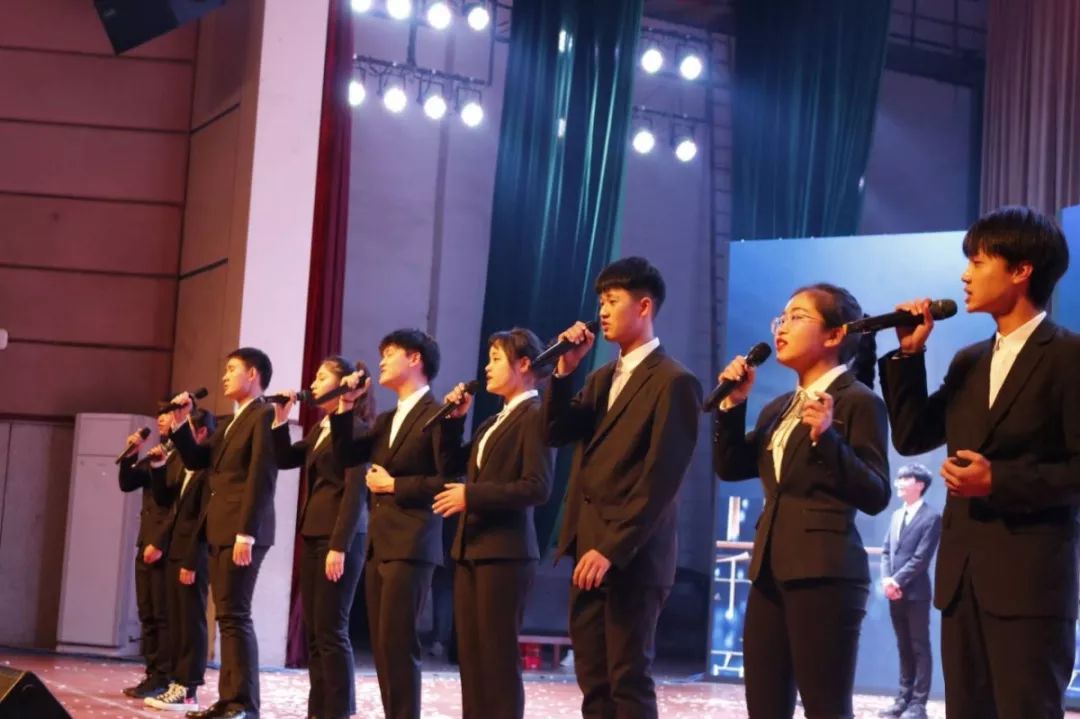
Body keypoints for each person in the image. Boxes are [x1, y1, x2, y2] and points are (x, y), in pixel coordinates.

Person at [880, 206, 1078, 718]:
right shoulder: (969, 360)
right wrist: (908, 356)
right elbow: (913, 436)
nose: (965, 276)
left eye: (978, 261)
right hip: (961, 581)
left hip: (1030, 587)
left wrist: (999, 481)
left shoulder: (1068, 357)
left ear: (1021, 270)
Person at [713, 282, 891, 718]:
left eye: (797, 317)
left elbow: (875, 493)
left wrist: (827, 438)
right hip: (769, 572)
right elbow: (731, 466)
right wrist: (733, 405)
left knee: (825, 708)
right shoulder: (778, 408)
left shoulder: (858, 402)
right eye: (781, 318)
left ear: (834, 335)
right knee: (765, 707)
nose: (781, 327)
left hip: (825, 575)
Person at [542, 256, 702, 718]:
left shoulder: (674, 382)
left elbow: (660, 481)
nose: (603, 312)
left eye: (612, 301)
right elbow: (555, 432)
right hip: (587, 548)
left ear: (644, 306)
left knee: (627, 678)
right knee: (594, 681)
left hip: (633, 556)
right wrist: (565, 371)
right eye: (601, 302)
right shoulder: (600, 378)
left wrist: (611, 547)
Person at [436, 328, 554, 719]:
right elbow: (450, 465)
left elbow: (537, 487)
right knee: (471, 658)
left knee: (497, 660)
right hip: (472, 549)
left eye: (496, 359)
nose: (487, 367)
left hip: (505, 554)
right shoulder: (492, 421)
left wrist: (471, 495)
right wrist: (454, 422)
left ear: (524, 365)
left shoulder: (535, 416)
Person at [332, 329, 446, 719]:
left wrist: (395, 485)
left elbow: (447, 481)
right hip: (380, 544)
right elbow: (346, 455)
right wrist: (346, 405)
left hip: (413, 542)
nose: (381, 361)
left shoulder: (437, 415)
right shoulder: (385, 420)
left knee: (399, 644)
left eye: (390, 353)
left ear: (415, 359)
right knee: (382, 646)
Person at [169, 347, 278, 719]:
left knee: (235, 616)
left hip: (243, 531)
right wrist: (180, 423)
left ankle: (244, 704)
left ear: (253, 374)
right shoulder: (232, 421)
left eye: (232, 369)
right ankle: (229, 700)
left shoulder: (264, 414)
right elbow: (197, 459)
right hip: (221, 528)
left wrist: (246, 532)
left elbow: (262, 476)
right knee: (227, 616)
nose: (225, 376)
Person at [271, 357, 374, 719]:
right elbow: (285, 458)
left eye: (321, 377)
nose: (313, 384)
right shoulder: (321, 428)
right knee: (315, 630)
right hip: (314, 533)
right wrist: (281, 420)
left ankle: (338, 711)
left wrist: (339, 545)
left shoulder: (356, 429)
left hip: (340, 538)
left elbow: (355, 492)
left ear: (342, 385)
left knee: (332, 629)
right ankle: (320, 709)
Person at [144, 407, 217, 712]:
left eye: (183, 428)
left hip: (192, 555)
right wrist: (159, 466)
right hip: (175, 551)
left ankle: (188, 688)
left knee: (190, 622)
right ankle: (176, 681)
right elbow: (166, 502)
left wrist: (192, 560)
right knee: (175, 620)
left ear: (200, 433)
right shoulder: (184, 466)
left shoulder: (207, 469)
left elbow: (203, 520)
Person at [118, 409, 178, 701]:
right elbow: (128, 482)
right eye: (160, 415)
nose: (161, 420)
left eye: (168, 414)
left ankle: (164, 676)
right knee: (147, 612)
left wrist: (160, 542)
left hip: (164, 545)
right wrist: (131, 454)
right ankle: (152, 673)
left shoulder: (183, 456)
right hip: (146, 542)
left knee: (162, 613)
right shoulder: (157, 451)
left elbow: (178, 506)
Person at [878, 463, 941, 719]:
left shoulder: (931, 517)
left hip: (916, 594)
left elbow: (921, 558)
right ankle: (902, 700)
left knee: (919, 647)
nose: (899, 483)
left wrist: (896, 581)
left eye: (906, 478)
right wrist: (886, 580)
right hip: (895, 593)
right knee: (903, 646)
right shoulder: (896, 515)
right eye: (899, 478)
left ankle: (918, 704)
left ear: (920, 485)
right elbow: (886, 551)